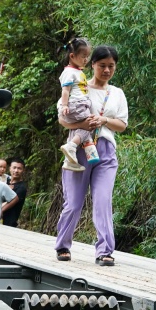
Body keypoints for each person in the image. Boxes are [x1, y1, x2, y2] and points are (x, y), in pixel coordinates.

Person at [55, 45, 128, 266]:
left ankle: (105, 251)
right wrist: (83, 123)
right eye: (102, 65)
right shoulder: (78, 83)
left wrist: (103, 120)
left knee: (103, 201)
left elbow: (122, 125)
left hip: (105, 150)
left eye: (111, 66)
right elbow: (62, 118)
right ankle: (63, 245)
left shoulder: (117, 93)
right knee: (74, 202)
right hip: (79, 150)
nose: (106, 70)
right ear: (92, 64)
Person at [58, 37, 98, 171]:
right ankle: (72, 146)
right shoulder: (69, 72)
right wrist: (64, 106)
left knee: (82, 128)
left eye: (87, 56)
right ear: (72, 56)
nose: (86, 59)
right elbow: (65, 91)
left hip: (80, 104)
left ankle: (69, 161)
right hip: (77, 105)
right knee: (90, 124)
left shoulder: (77, 71)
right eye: (83, 56)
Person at [2, 158, 27, 227]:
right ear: (10, 168)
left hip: (8, 224)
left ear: (23, 170)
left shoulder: (21, 188)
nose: (16, 171)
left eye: (19, 168)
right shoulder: (4, 181)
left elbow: (10, 202)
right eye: (14, 168)